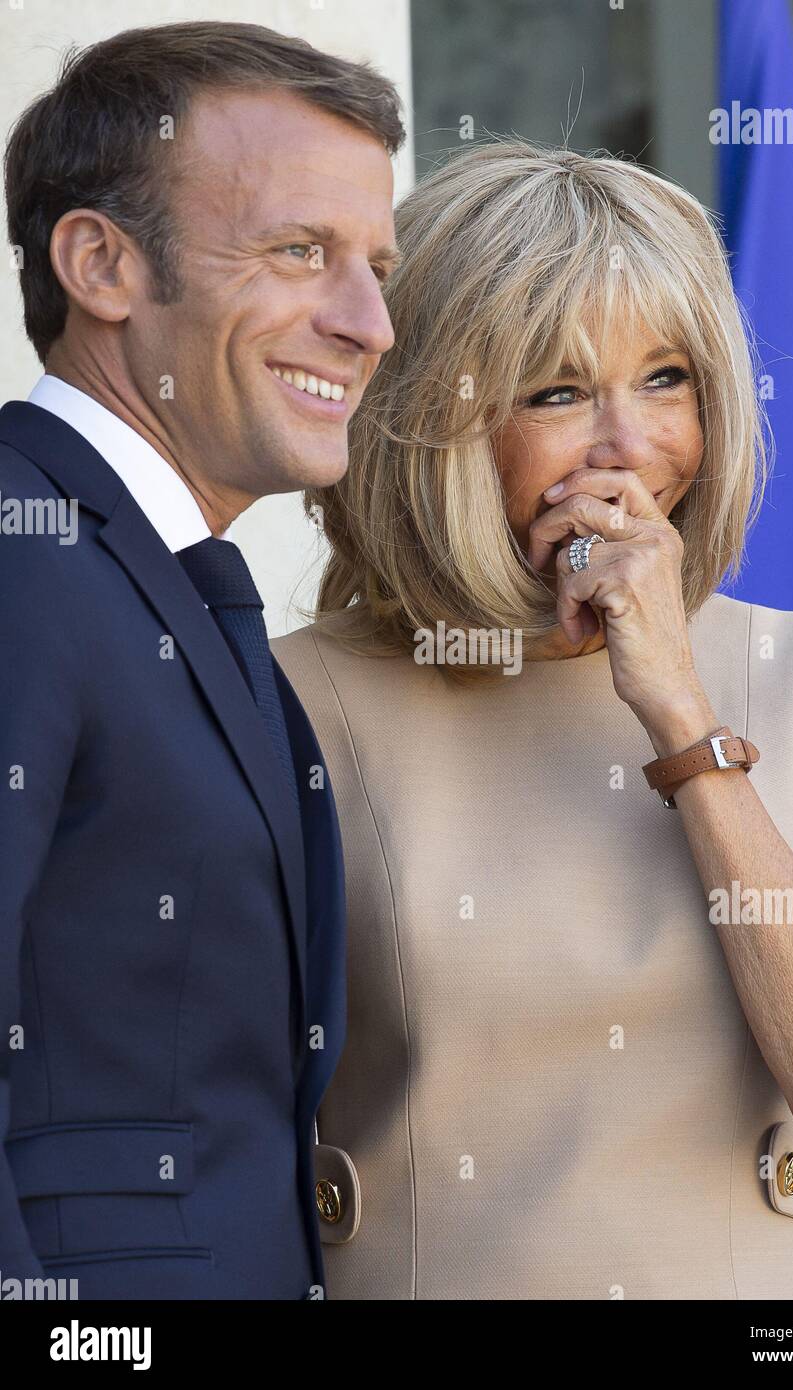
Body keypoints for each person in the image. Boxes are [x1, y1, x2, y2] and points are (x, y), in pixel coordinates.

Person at [274, 141, 793, 1300]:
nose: (631, 447)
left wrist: (680, 713)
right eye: (557, 391)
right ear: (432, 422)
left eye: (667, 377)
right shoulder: (293, 699)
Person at [0, 21, 401, 1299]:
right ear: (102, 263)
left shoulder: (162, 581)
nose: (370, 324)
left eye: (376, 268)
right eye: (302, 252)